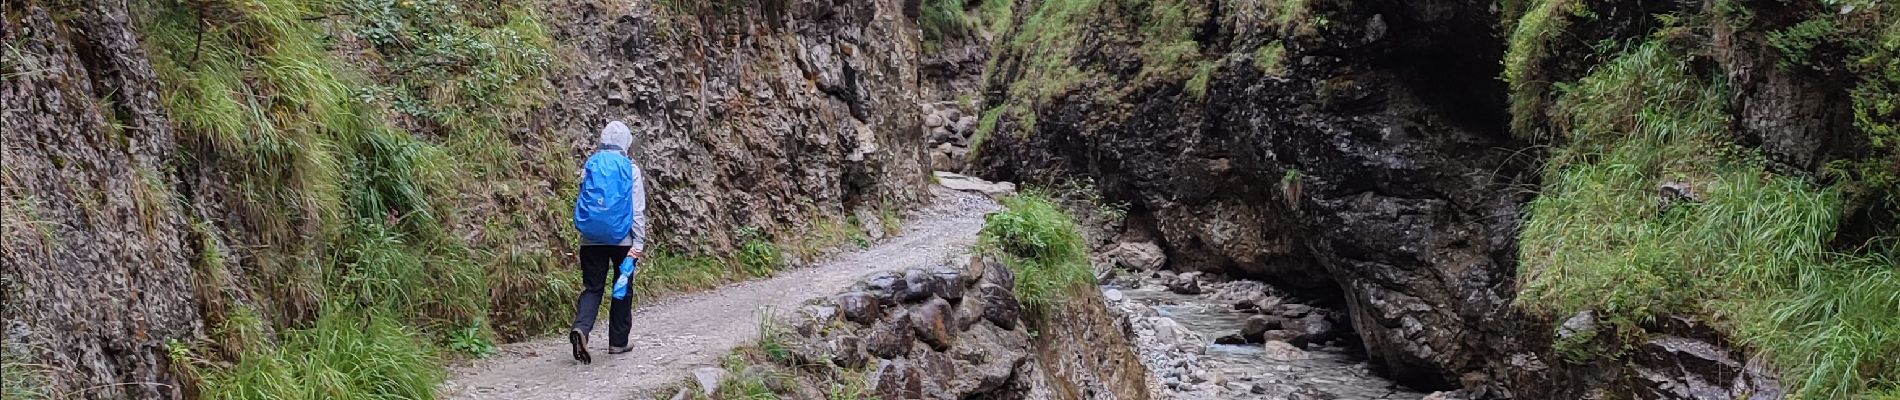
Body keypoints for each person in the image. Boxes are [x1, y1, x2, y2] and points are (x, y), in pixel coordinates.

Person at [569, 121, 647, 364]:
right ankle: (618, 342)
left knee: (593, 287)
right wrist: (639, 241)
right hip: (623, 241)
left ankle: (582, 328)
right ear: (627, 143)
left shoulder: (591, 164)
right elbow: (637, 209)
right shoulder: (630, 168)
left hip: (591, 240)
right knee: (622, 287)